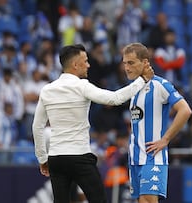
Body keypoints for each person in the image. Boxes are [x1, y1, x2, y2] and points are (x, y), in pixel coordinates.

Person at [32, 44, 154, 203]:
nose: (89, 65)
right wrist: (142, 80)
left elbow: (37, 126)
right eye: (86, 61)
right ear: (75, 65)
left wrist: (42, 158)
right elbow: (114, 98)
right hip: (79, 156)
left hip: (56, 158)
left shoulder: (47, 90)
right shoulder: (82, 86)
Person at [121, 43, 192, 203]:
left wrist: (165, 139)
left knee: (147, 200)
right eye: (124, 63)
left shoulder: (160, 85)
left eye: (131, 63)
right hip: (135, 158)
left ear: (145, 62)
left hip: (152, 156)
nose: (126, 68)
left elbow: (185, 110)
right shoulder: (134, 89)